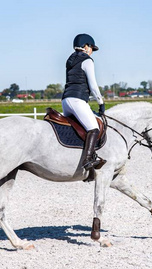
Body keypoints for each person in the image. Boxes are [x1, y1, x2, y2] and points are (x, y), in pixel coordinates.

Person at [61, 33, 105, 170]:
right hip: (77, 101)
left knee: (78, 126)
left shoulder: (70, 60)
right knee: (94, 128)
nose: (92, 51)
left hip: (65, 100)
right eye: (91, 47)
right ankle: (87, 160)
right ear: (85, 46)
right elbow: (93, 85)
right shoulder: (87, 61)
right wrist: (101, 103)